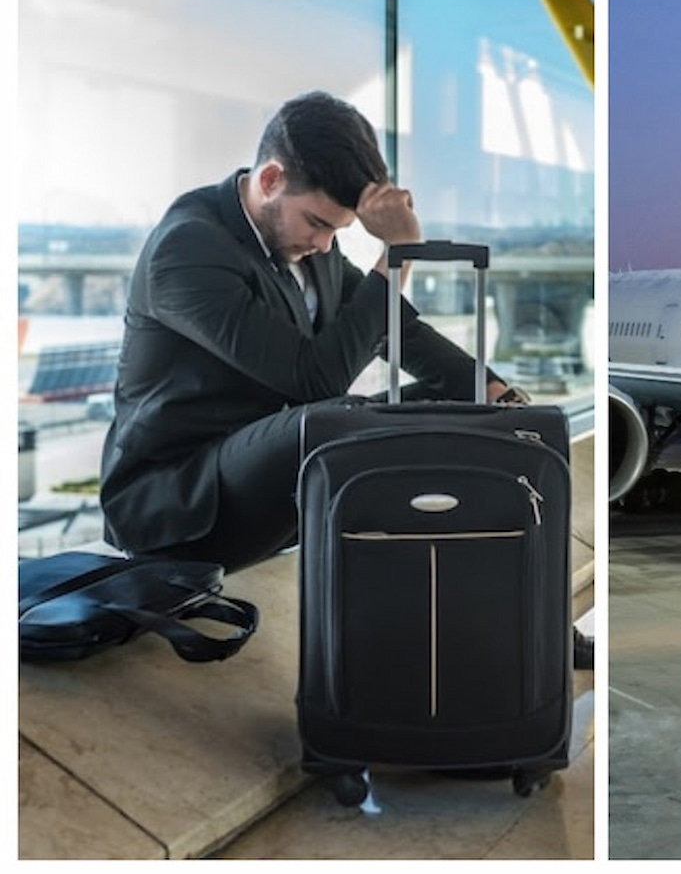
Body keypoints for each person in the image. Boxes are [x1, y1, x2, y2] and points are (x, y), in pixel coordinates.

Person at [99, 90, 593, 669]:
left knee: (461, 413)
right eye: (317, 223)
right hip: (179, 499)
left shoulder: (311, 251)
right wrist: (398, 253)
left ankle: (532, 625)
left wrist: (498, 395)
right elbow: (313, 379)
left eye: (338, 230)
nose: (324, 243)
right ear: (272, 178)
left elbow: (393, 328)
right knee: (338, 418)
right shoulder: (187, 248)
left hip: (275, 471)